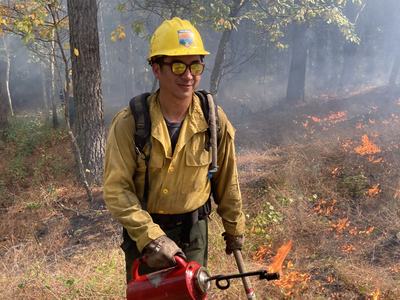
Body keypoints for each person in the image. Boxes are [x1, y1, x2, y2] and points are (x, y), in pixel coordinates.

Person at [103, 17, 246, 283]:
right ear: (156, 69)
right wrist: (152, 238)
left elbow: (228, 181)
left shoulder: (213, 119)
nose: (188, 75)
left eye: (195, 65)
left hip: (194, 234)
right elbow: (116, 190)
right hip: (146, 238)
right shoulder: (130, 123)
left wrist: (235, 228)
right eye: (178, 65)